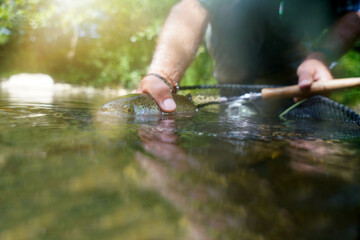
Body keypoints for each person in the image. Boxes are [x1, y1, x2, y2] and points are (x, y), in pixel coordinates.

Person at [136, 0, 360, 113]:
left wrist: (321, 57)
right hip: (233, 57)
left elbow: (353, 12)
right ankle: (234, 98)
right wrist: (162, 74)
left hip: (297, 66)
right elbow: (193, 5)